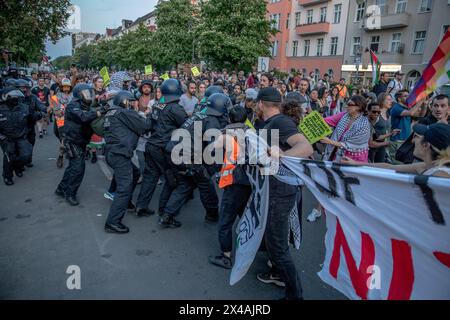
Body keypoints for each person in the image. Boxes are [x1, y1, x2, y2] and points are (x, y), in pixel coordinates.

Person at [254, 87, 313, 300]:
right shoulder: (271, 123)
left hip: (282, 191)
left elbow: (306, 148)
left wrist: (281, 157)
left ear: (261, 103)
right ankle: (278, 273)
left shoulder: (280, 121)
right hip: (276, 189)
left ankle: (294, 295)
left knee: (278, 246)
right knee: (272, 240)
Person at [160, 93, 229, 228]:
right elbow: (213, 146)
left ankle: (167, 215)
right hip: (187, 157)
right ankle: (212, 214)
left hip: (173, 152)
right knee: (205, 183)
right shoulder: (212, 120)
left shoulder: (198, 114)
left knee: (185, 185)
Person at [307, 96, 371, 222]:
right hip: (332, 154)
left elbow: (355, 145)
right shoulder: (343, 116)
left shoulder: (365, 125)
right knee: (326, 182)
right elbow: (326, 121)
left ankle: (342, 215)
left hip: (351, 159)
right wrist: (310, 121)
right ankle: (318, 210)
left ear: (358, 107)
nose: (347, 105)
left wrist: (330, 141)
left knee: (345, 187)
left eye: (350, 104)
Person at [135, 79, 188, 216]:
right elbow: (187, 126)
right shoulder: (176, 108)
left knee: (150, 177)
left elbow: (149, 124)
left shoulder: (158, 105)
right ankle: (165, 212)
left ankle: (141, 206)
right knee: (172, 179)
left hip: (151, 145)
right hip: (164, 148)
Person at [208, 106, 252, 269]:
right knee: (246, 216)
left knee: (225, 222)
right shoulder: (252, 133)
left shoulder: (225, 134)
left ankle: (225, 256)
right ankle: (258, 247)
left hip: (233, 182)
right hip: (249, 182)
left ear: (230, 119)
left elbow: (212, 153)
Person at [103, 91, 153, 234]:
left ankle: (126, 203)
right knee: (124, 189)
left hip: (112, 153)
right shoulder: (125, 113)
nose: (136, 103)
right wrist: (152, 115)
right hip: (120, 154)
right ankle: (112, 222)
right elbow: (144, 126)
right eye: (133, 101)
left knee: (135, 173)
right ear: (126, 102)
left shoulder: (112, 112)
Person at [54, 84, 104, 206]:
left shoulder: (87, 105)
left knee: (72, 167)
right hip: (72, 140)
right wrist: (98, 113)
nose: (89, 95)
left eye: (89, 93)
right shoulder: (73, 105)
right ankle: (70, 194)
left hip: (81, 140)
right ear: (79, 94)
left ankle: (61, 188)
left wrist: (102, 105)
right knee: (78, 168)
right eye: (86, 93)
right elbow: (83, 117)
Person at [342, 123, 450, 178]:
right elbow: (389, 167)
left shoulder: (441, 175)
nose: (412, 141)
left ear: (426, 145)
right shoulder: (426, 166)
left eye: (417, 137)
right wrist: (355, 163)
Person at [0, 88, 32, 185]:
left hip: (21, 136)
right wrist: (1, 137)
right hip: (6, 138)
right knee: (9, 157)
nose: (15, 98)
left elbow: (30, 119)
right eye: (13, 96)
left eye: (16, 96)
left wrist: (38, 115)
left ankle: (17, 167)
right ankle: (7, 176)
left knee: (26, 155)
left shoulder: (23, 107)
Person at [15, 79, 46, 168]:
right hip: (18, 127)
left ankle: (28, 160)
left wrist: (43, 111)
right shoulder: (13, 98)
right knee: (17, 146)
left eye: (26, 88)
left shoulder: (33, 97)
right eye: (22, 88)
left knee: (31, 143)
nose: (24, 90)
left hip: (30, 124)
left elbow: (41, 106)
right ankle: (19, 164)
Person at [389, 90, 425, 163]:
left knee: (403, 164)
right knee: (397, 165)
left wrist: (425, 104)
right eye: (405, 96)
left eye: (409, 95)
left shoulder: (406, 108)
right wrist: (420, 101)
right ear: (399, 98)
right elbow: (411, 113)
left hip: (405, 140)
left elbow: (421, 115)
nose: (408, 97)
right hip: (397, 141)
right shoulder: (396, 107)